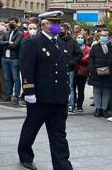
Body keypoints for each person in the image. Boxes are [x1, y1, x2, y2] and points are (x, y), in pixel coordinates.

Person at [17, 11, 73, 170]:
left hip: (58, 98)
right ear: (44, 25)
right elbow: (27, 68)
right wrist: (29, 91)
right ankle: (25, 154)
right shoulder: (33, 42)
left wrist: (65, 93)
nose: (57, 26)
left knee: (59, 135)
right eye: (53, 23)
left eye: (58, 23)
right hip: (40, 97)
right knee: (31, 128)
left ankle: (63, 166)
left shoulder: (61, 43)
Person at [88, 28, 112, 118]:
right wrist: (93, 70)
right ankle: (98, 109)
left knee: (107, 91)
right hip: (96, 72)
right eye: (102, 35)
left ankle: (104, 109)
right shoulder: (95, 47)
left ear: (109, 36)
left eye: (105, 35)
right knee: (97, 90)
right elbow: (91, 59)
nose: (103, 37)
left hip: (108, 73)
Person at [0, 17, 24, 105]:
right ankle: (8, 96)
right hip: (5, 58)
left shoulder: (20, 33)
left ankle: (16, 97)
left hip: (14, 59)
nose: (11, 23)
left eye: (13, 22)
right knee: (7, 78)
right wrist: (8, 43)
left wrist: (5, 44)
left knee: (16, 78)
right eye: (9, 22)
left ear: (17, 23)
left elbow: (15, 45)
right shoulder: (6, 33)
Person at [59, 23, 82, 113]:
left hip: (69, 68)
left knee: (70, 87)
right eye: (59, 29)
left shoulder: (72, 41)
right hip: (58, 68)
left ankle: (71, 105)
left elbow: (80, 54)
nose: (61, 31)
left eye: (62, 29)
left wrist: (72, 62)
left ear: (67, 30)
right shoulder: (56, 40)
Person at [73, 34, 90, 112]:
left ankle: (79, 105)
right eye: (78, 38)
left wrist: (78, 59)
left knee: (81, 89)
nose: (80, 39)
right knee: (72, 89)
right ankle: (72, 104)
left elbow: (87, 59)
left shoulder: (88, 49)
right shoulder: (72, 47)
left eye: (81, 38)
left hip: (83, 71)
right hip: (73, 70)